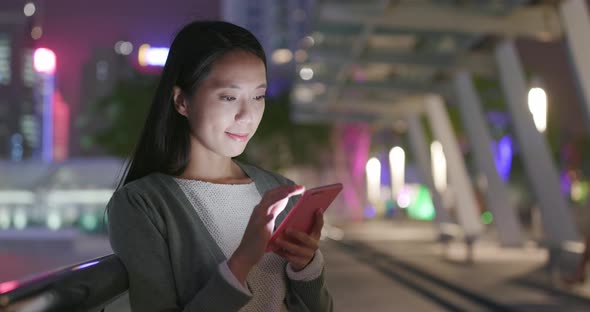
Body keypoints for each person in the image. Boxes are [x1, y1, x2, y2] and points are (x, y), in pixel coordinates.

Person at [107, 20, 333, 311]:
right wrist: (242, 260)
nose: (247, 115)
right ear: (181, 101)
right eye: (228, 97)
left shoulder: (280, 191)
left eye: (258, 96)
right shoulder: (142, 204)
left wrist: (307, 268)